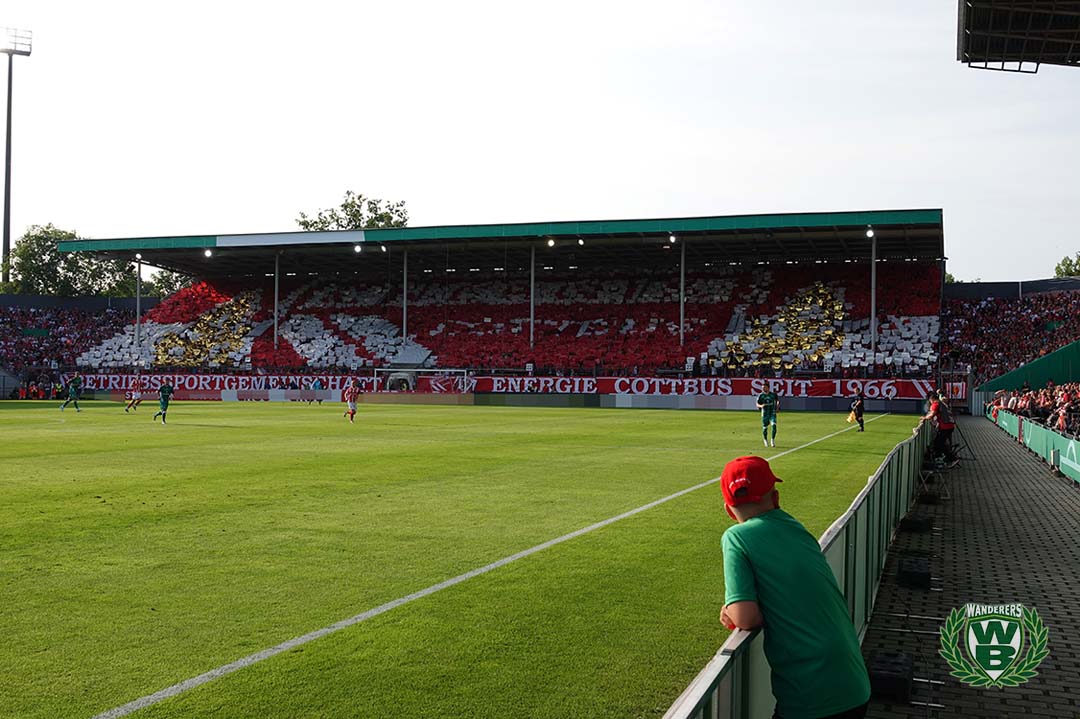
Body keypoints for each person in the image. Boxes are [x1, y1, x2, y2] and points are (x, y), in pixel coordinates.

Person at [719, 456, 870, 719]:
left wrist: (732, 610)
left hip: (811, 695)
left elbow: (745, 617)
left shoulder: (736, 537)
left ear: (729, 511)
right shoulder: (796, 528)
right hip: (854, 684)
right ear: (776, 498)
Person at [920, 391, 958, 467]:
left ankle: (951, 459)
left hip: (945, 427)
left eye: (929, 400)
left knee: (939, 444)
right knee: (938, 443)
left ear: (931, 399)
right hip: (949, 426)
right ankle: (942, 458)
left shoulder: (935, 404)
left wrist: (924, 418)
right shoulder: (941, 403)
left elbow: (931, 414)